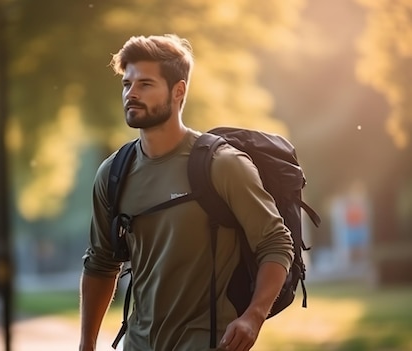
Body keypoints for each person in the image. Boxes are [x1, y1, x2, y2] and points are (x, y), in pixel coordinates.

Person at [79, 34, 294, 351]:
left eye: (145, 84)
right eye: (127, 84)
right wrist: (87, 343)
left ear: (178, 91)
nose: (131, 94)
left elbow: (276, 243)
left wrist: (253, 316)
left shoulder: (222, 165)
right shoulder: (112, 173)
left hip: (206, 342)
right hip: (138, 344)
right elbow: (100, 263)